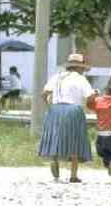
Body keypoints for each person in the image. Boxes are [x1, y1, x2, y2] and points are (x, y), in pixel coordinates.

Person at [38, 53, 97, 183]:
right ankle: (73, 175)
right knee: (75, 140)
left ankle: (54, 159)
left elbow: (44, 94)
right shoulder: (80, 78)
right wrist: (94, 96)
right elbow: (90, 97)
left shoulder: (57, 77)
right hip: (73, 110)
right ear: (79, 67)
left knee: (55, 136)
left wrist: (50, 107)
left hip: (55, 109)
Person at [87, 84, 111, 176]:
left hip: (100, 133)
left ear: (105, 92)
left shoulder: (98, 100)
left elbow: (89, 105)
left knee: (104, 153)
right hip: (110, 132)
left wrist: (94, 95)